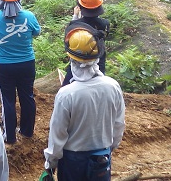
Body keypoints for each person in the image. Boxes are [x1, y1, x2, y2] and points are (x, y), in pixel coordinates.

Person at [43, 29, 125, 181]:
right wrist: (109, 148)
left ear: (71, 59)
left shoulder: (67, 94)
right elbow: (119, 124)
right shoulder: (113, 86)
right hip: (102, 158)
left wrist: (50, 163)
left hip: (73, 161)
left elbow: (58, 134)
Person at [0, 0, 41, 144]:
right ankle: (27, 132)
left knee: (8, 100)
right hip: (26, 63)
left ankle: (10, 136)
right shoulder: (29, 16)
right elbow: (37, 32)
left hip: (4, 65)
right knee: (27, 96)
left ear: (1, 0)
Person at [62, 0, 110, 82]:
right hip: (98, 60)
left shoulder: (75, 24)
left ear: (80, 7)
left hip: (79, 60)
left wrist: (75, 16)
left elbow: (69, 37)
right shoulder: (105, 24)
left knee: (69, 85)